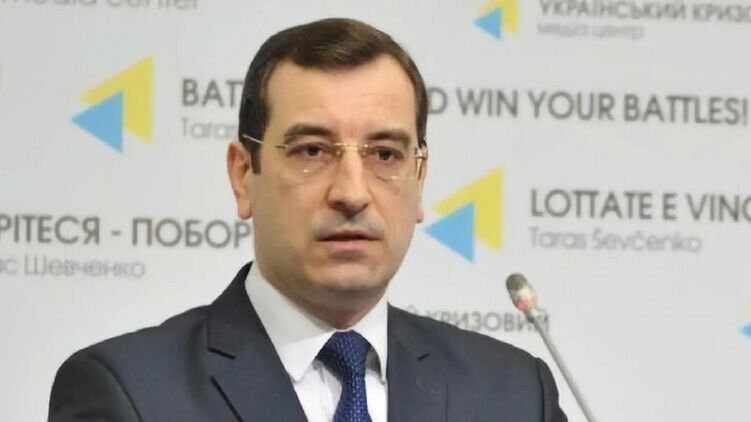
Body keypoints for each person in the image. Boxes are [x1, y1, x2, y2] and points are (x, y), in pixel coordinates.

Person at [48, 18, 567, 422]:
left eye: (385, 154)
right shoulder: (130, 393)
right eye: (312, 151)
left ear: (419, 177)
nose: (352, 193)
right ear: (243, 174)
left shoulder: (516, 394)